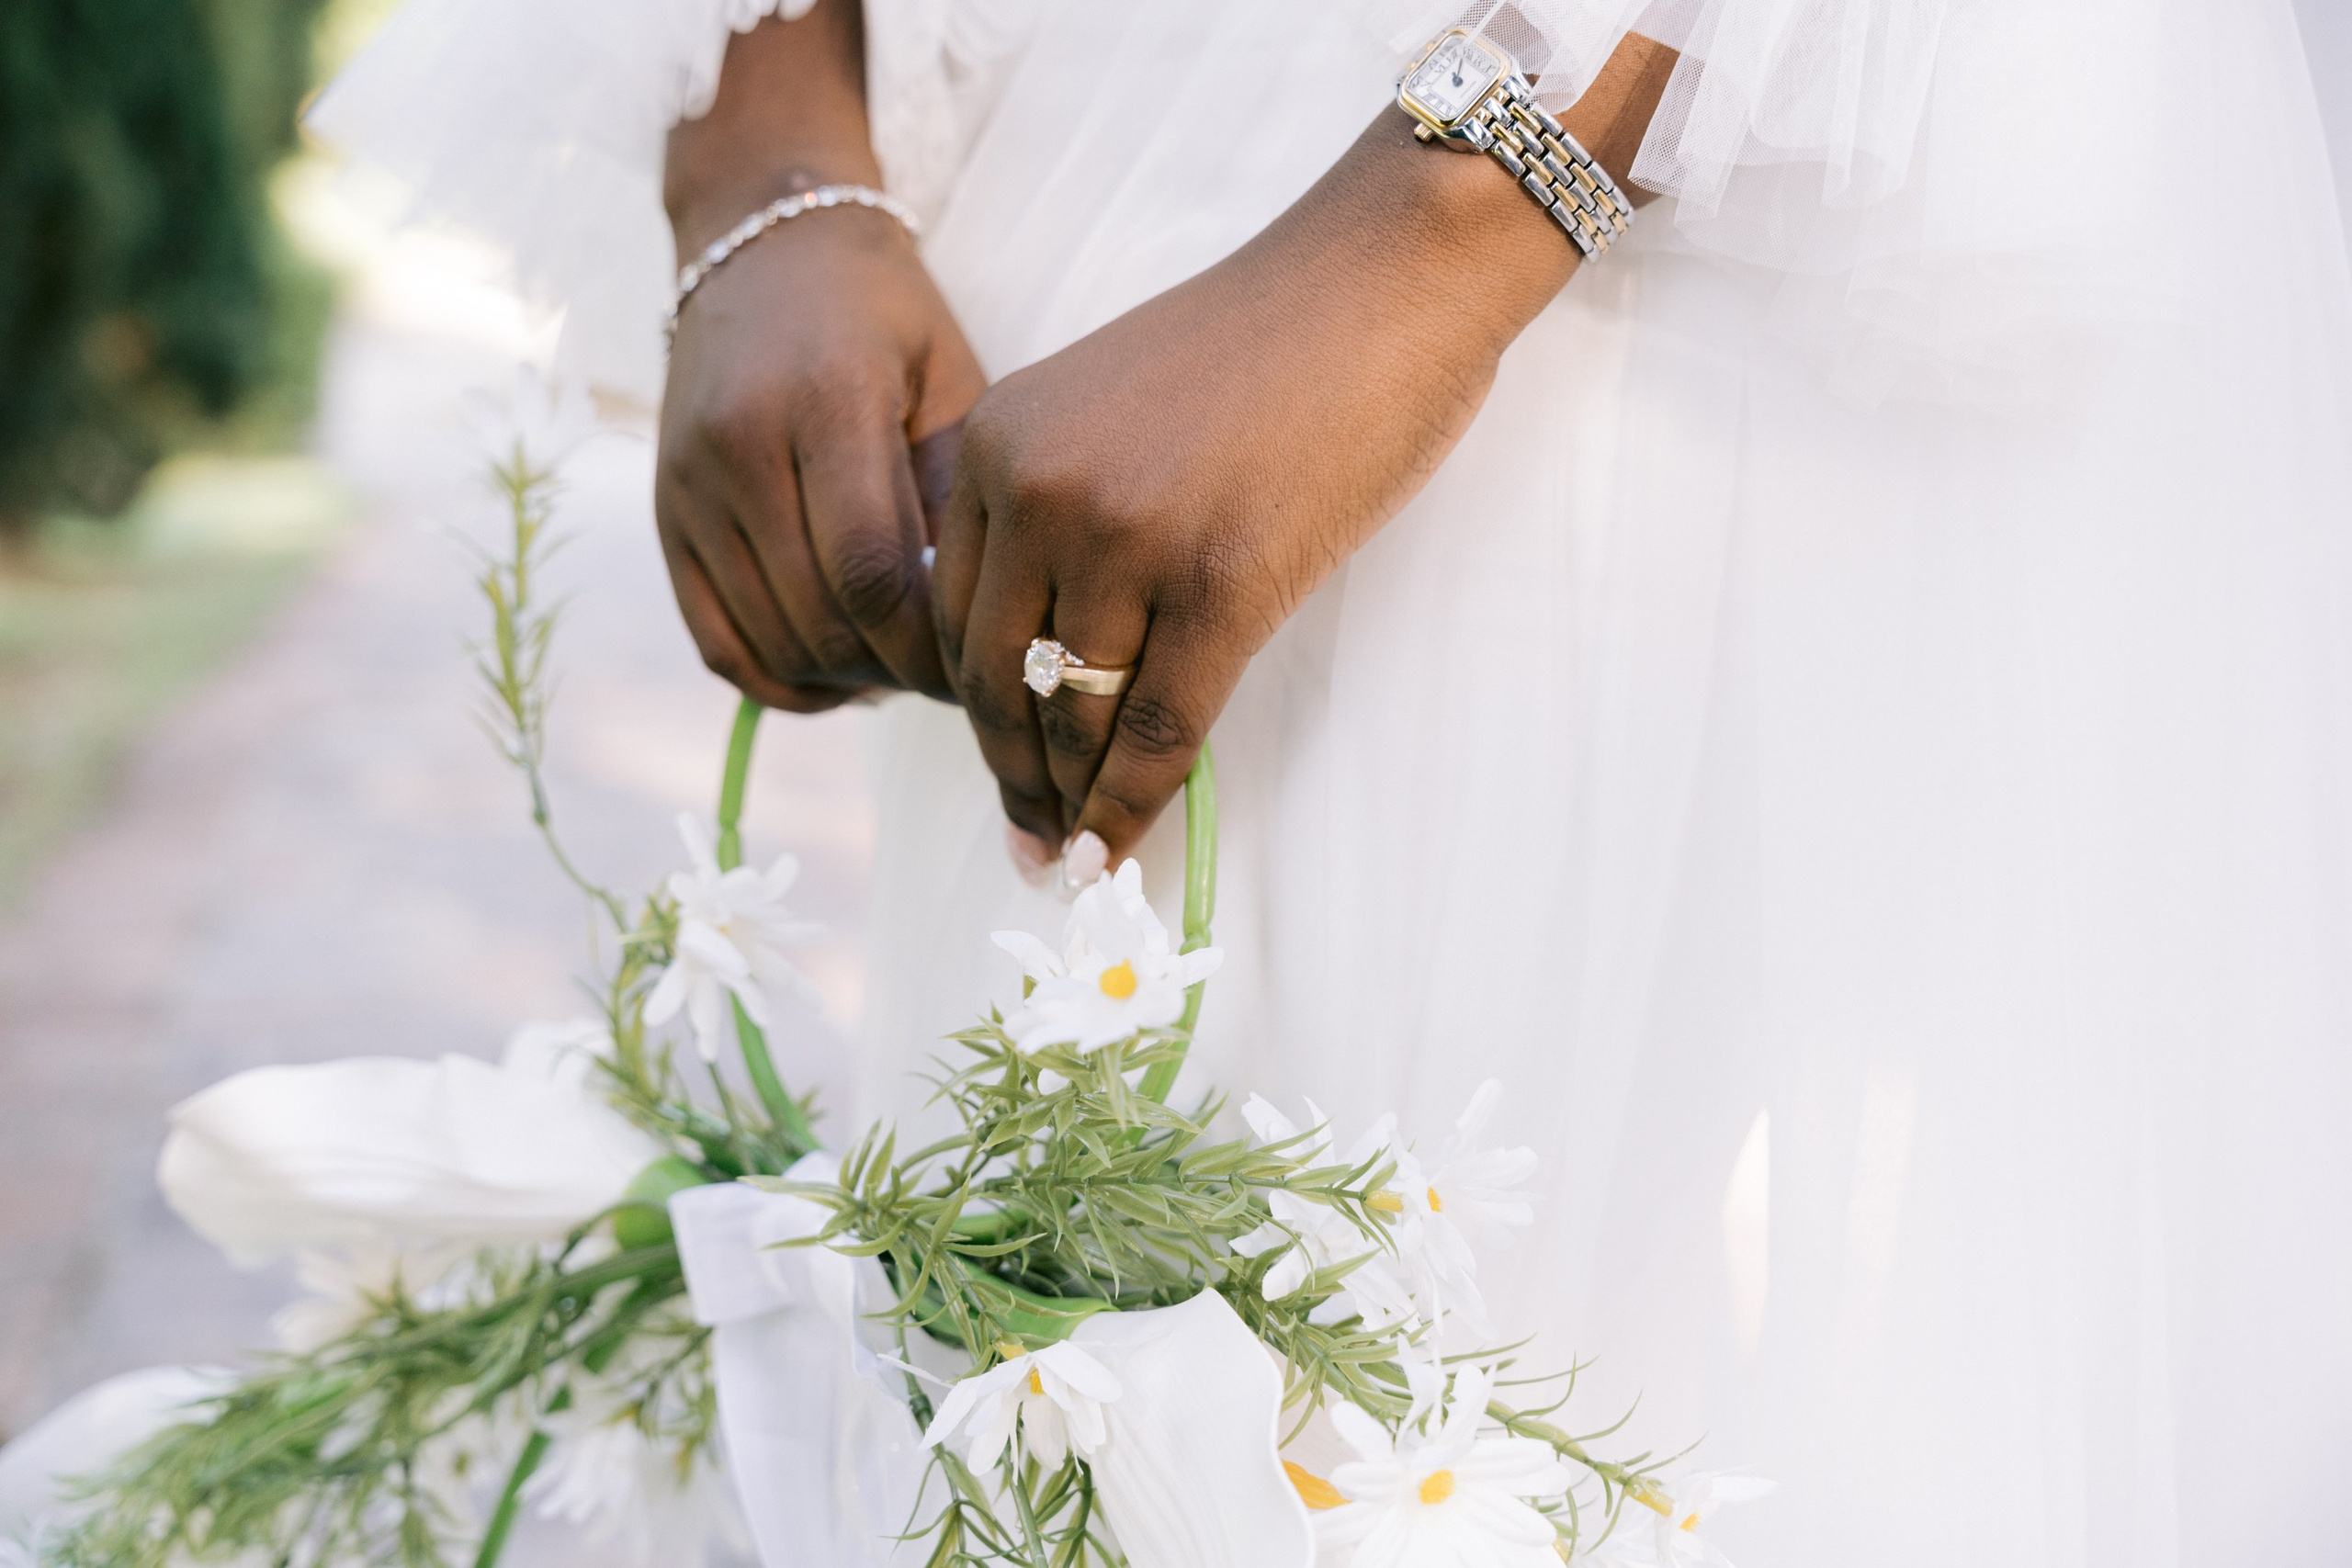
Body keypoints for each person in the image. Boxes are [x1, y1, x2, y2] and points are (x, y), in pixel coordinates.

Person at [313, 1, 2352, 1561]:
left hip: (1697, 247)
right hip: (1053, 246)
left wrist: (1458, 209)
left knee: (1564, 1397)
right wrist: (765, 149)